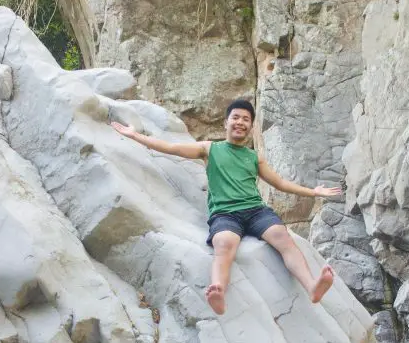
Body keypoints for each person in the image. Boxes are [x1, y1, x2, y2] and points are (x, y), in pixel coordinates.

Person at [111, 99, 341, 315]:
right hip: (225, 213)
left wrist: (313, 192)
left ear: (251, 126)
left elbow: (279, 183)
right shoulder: (210, 149)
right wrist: (135, 136)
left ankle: (312, 286)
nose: (240, 122)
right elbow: (170, 148)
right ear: (226, 122)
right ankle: (217, 290)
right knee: (224, 242)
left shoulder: (254, 157)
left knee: (282, 236)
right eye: (236, 117)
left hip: (256, 211)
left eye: (246, 119)